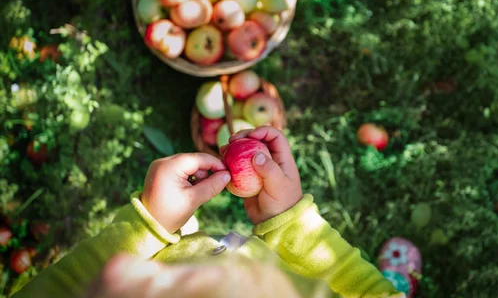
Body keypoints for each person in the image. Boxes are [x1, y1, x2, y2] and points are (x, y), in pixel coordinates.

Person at [12, 127, 402, 297]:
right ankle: (405, 277)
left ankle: (186, 241)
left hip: (182, 239)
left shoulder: (112, 271)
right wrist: (292, 222)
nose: (117, 268)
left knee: (185, 245)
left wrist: (148, 226)